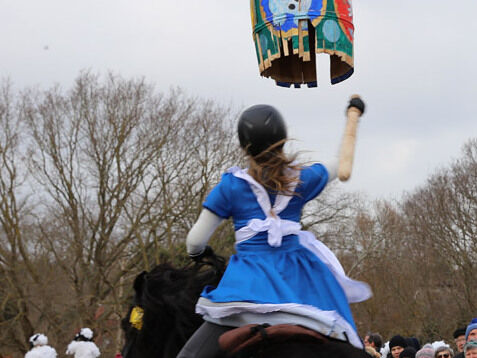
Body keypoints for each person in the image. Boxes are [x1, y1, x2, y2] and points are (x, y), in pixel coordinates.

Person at [176, 100, 371, 358]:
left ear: (245, 146)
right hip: (302, 285)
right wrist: (353, 117)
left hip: (247, 287)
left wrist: (197, 253)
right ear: (283, 139)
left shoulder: (230, 187)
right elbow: (341, 162)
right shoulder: (302, 179)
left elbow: (195, 240)